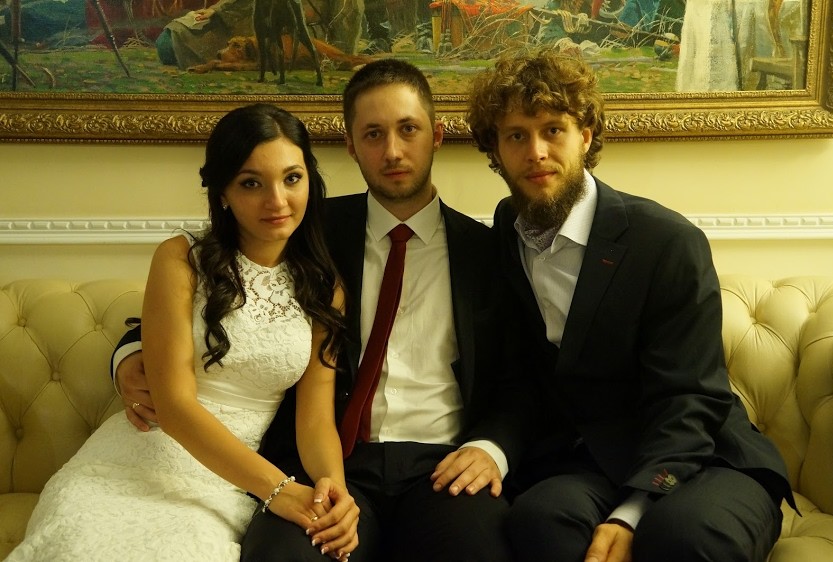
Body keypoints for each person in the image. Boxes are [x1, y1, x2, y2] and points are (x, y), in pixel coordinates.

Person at [112, 59, 524, 561]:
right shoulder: (302, 225)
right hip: (326, 460)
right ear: (351, 145)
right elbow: (211, 293)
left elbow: (524, 378)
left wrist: (492, 448)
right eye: (373, 134)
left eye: (408, 129)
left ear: (436, 135)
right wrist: (128, 355)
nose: (393, 151)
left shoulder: (490, 251)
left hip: (443, 466)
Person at [465, 50, 795, 562]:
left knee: (682, 536)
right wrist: (492, 447)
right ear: (496, 150)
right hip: (595, 461)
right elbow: (520, 377)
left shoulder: (667, 241)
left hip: (706, 455)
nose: (536, 152)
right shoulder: (508, 232)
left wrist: (632, 512)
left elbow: (690, 396)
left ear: (585, 137)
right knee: (538, 519)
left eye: (553, 130)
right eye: (516, 136)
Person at [8, 103, 359, 561]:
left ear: (310, 179)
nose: (277, 200)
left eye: (292, 178)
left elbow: (315, 420)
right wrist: (278, 490)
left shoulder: (324, 287)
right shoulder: (180, 259)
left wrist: (333, 489)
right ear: (223, 192)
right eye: (251, 183)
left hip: (224, 481)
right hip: (133, 460)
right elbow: (173, 408)